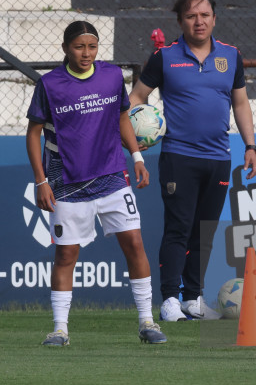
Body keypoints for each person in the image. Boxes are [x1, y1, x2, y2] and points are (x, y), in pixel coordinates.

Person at [26, 21, 166, 346]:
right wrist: (40, 181)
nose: (86, 53)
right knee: (66, 255)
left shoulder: (112, 76)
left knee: (134, 242)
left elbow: (121, 117)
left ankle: (147, 321)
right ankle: (60, 329)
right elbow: (33, 133)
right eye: (79, 46)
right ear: (65, 49)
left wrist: (137, 157)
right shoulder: (49, 85)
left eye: (92, 46)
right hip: (67, 180)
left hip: (112, 174)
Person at [129, 0, 256, 321]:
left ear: (214, 19)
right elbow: (136, 97)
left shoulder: (231, 56)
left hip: (218, 157)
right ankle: (170, 300)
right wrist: (134, 133)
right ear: (180, 21)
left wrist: (250, 145)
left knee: (205, 231)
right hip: (178, 156)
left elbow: (240, 102)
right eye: (191, 16)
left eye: (204, 15)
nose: (198, 22)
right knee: (178, 228)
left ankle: (193, 298)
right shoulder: (165, 57)